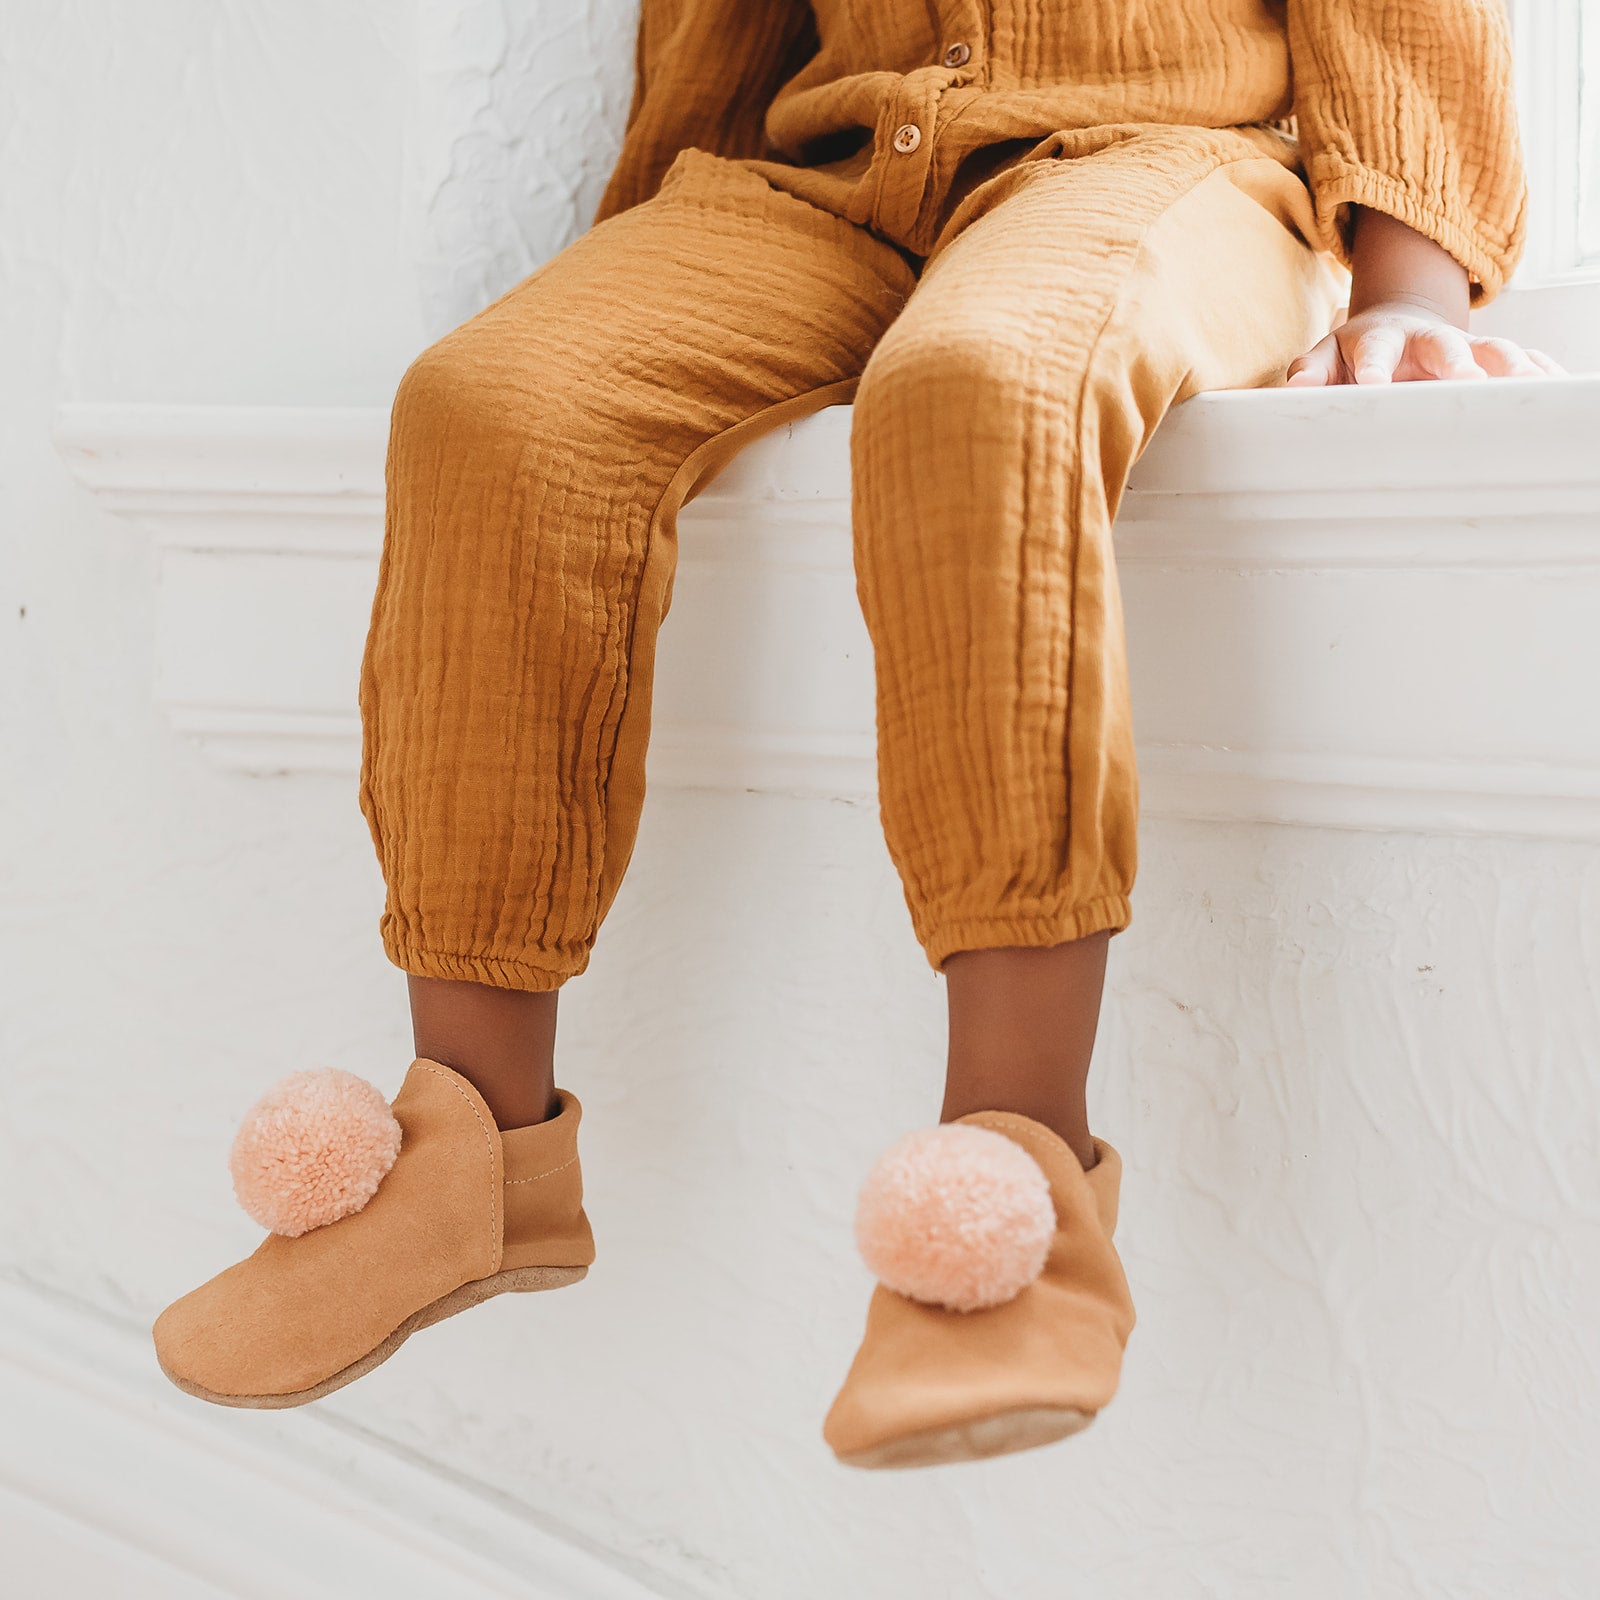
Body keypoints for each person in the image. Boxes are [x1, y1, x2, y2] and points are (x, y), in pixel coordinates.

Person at [152, 1, 1560, 1465]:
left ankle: (1018, 1187)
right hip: (827, 184)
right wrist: (641, 257)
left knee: (981, 385)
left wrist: (1413, 278)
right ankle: (471, 1149)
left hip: (1168, 158)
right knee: (496, 405)